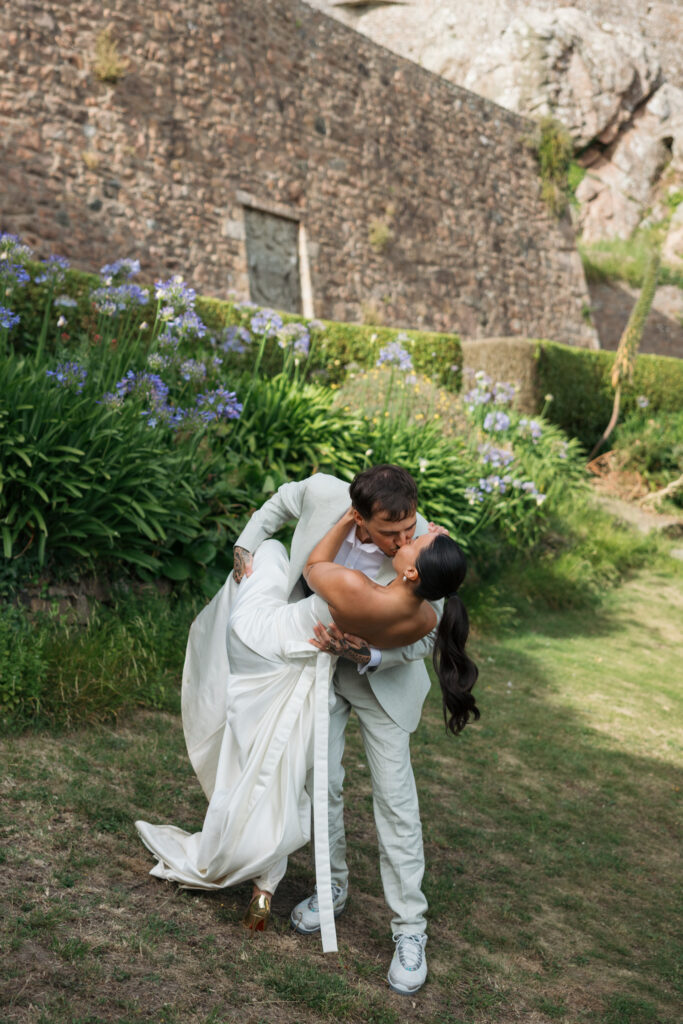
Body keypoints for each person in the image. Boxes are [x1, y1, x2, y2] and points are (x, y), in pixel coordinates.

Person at [136, 466, 478, 994]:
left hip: (381, 681)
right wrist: (246, 546)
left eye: (410, 530)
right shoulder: (324, 494)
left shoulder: (424, 545)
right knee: (323, 783)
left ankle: (411, 929)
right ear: (359, 518)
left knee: (395, 800)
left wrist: (371, 653)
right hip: (313, 669)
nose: (404, 539)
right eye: (393, 534)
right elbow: (278, 503)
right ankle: (331, 888)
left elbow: (424, 632)